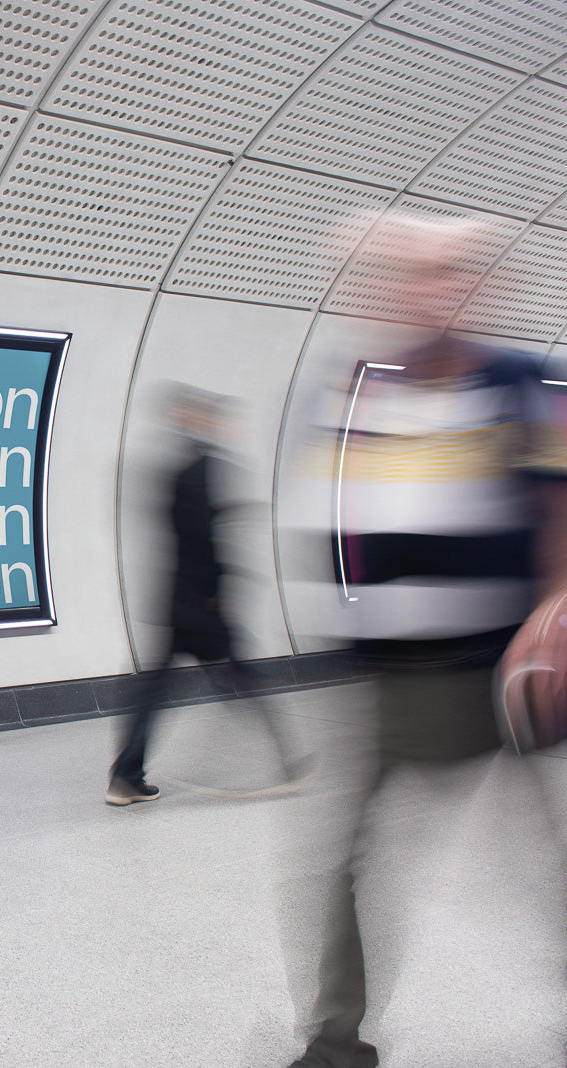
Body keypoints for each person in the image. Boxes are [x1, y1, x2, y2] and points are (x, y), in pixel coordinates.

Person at [284, 215, 567, 1067]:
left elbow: (560, 499)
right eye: (408, 275)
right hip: (387, 678)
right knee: (341, 863)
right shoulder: (362, 389)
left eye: (448, 274)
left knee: (540, 864)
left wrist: (555, 603)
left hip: (499, 670)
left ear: (481, 288)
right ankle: (336, 1041)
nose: (429, 291)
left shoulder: (526, 382)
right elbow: (340, 517)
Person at [107, 387, 304, 805]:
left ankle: (125, 777)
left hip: (175, 601)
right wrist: (221, 589)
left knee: (155, 693)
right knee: (244, 681)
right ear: (203, 421)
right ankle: (288, 763)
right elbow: (202, 538)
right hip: (202, 606)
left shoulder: (172, 468)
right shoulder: (204, 468)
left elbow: (182, 532)